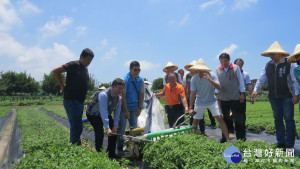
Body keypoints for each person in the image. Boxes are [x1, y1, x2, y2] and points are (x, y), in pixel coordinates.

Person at [251, 41, 299, 149]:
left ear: (280, 54)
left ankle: (290, 143)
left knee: (288, 119)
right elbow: (262, 78)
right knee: (277, 119)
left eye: (273, 53)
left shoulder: (289, 64)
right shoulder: (268, 65)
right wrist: (256, 89)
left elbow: (294, 80)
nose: (271, 56)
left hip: (287, 96)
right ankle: (280, 141)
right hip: (273, 97)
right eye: (270, 54)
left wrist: (296, 94)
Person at [52, 48, 94, 145]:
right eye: (88, 59)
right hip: (71, 100)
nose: (89, 62)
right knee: (76, 125)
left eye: (91, 60)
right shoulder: (74, 64)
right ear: (81, 57)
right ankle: (75, 145)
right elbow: (56, 71)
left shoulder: (84, 68)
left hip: (79, 101)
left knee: (77, 123)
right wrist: (62, 85)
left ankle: (75, 143)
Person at [188, 59, 229, 141]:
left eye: (201, 70)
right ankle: (191, 140)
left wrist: (209, 79)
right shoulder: (194, 79)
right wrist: (190, 107)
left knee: (220, 118)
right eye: (198, 70)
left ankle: (228, 140)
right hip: (200, 101)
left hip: (212, 100)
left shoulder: (212, 75)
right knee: (195, 120)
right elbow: (192, 94)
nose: (200, 71)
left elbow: (219, 87)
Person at [86, 78, 125, 158]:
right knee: (99, 132)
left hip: (106, 113)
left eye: (122, 88)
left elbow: (117, 112)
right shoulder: (103, 95)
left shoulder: (119, 97)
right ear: (113, 87)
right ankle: (99, 154)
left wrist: (115, 125)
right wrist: (107, 128)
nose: (121, 90)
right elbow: (103, 112)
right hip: (93, 114)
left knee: (114, 132)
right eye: (119, 88)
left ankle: (111, 153)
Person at [216, 53, 246, 143]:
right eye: (221, 61)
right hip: (224, 98)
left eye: (225, 60)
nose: (223, 63)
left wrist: (242, 93)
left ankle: (241, 139)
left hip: (235, 97)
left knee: (238, 119)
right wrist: (218, 96)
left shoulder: (235, 68)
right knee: (226, 119)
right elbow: (217, 83)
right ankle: (225, 137)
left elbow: (240, 81)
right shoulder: (218, 69)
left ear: (229, 60)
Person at [117, 61, 145, 153]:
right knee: (121, 128)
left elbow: (141, 94)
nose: (137, 72)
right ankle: (120, 148)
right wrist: (126, 111)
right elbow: (123, 96)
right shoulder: (125, 80)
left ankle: (134, 148)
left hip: (134, 107)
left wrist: (139, 108)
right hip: (124, 107)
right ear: (130, 69)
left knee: (134, 129)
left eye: (139, 70)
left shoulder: (140, 80)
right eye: (135, 70)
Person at [184, 60, 216, 135]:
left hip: (199, 98)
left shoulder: (201, 75)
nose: (191, 69)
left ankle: (202, 131)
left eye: (192, 67)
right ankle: (193, 132)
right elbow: (185, 88)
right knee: (192, 116)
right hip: (191, 98)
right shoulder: (187, 76)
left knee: (200, 116)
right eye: (190, 68)